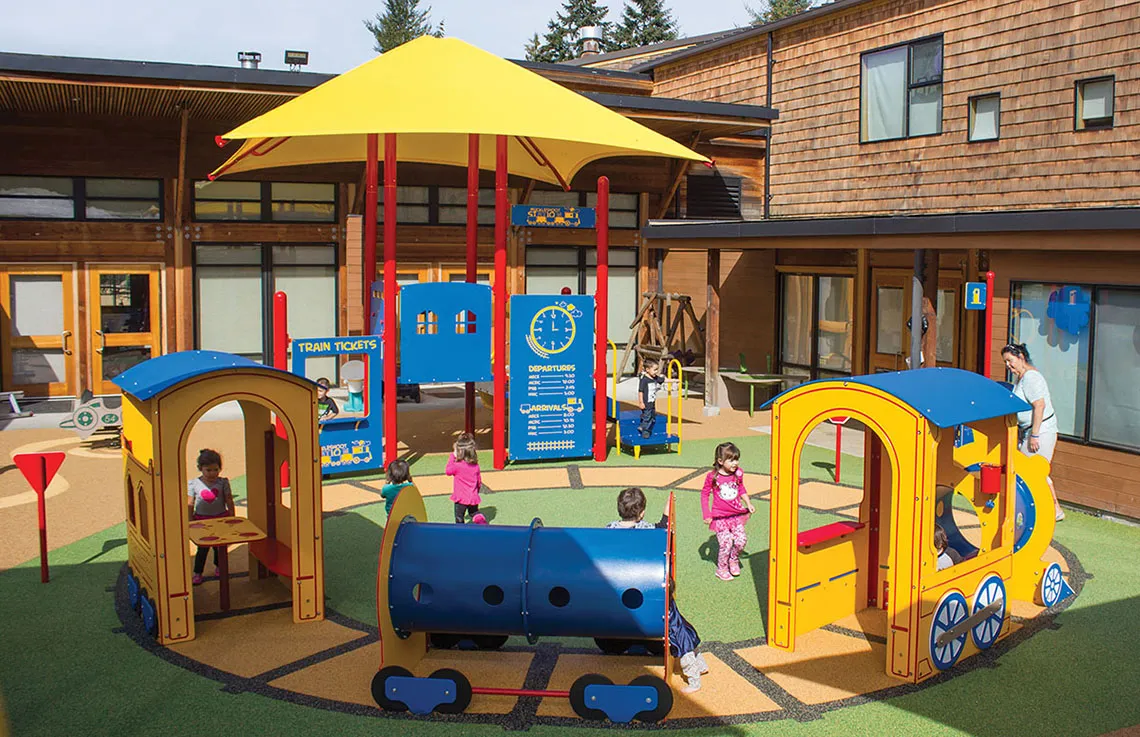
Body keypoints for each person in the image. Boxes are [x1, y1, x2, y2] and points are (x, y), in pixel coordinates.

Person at [606, 487, 707, 693]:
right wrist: (668, 506)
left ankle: (698, 661)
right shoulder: (648, 530)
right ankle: (693, 670)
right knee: (675, 624)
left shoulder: (608, 530)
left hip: (620, 595)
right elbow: (665, 526)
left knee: (677, 622)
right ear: (641, 513)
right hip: (649, 595)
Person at [1002, 343, 1064, 521]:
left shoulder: (1031, 378)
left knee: (1032, 470)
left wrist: (1034, 435)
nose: (1008, 365)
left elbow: (1039, 405)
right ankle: (1053, 508)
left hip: (1041, 430)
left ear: (1021, 357)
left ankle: (1053, 509)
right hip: (1029, 431)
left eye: (1010, 361)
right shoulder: (1021, 378)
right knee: (1033, 470)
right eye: (1006, 362)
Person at [701, 442, 755, 581]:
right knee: (726, 542)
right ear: (720, 461)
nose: (735, 463)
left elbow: (741, 489)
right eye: (731, 460)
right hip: (720, 517)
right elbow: (705, 494)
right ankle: (722, 568)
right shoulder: (712, 477)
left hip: (736, 515)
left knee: (741, 541)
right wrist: (707, 514)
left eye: (736, 459)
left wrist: (748, 503)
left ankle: (733, 559)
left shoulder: (738, 473)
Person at [186, 449, 235, 585]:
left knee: (219, 547)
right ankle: (198, 572)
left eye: (215, 469)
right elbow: (190, 503)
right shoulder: (194, 484)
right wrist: (190, 521)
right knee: (202, 548)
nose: (212, 473)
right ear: (201, 468)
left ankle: (220, 567)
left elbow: (228, 499)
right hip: (202, 520)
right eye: (208, 470)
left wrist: (232, 516)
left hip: (220, 518)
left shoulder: (223, 482)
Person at [447, 432, 482, 524]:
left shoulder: (457, 466)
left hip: (461, 498)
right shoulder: (475, 466)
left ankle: (461, 532)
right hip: (473, 496)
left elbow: (448, 471)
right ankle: (481, 522)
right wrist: (476, 492)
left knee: (459, 517)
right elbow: (479, 482)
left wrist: (452, 456)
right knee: (474, 512)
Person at [637, 359, 666, 439]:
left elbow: (663, 380)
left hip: (652, 402)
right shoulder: (644, 380)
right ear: (647, 370)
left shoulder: (655, 377)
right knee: (647, 418)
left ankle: (644, 427)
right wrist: (641, 402)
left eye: (657, 369)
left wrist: (674, 380)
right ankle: (643, 429)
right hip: (646, 403)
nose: (656, 372)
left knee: (652, 417)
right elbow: (640, 392)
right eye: (655, 370)